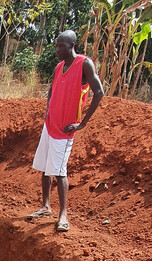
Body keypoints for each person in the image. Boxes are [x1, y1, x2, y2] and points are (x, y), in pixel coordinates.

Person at [29, 30, 103, 232]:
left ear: (72, 45)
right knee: (45, 166)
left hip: (65, 129)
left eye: (61, 46)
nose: (57, 50)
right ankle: (45, 206)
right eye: (56, 46)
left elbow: (99, 92)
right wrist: (47, 111)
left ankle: (63, 215)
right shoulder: (59, 67)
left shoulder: (84, 64)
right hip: (50, 124)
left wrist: (82, 123)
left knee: (60, 172)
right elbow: (52, 89)